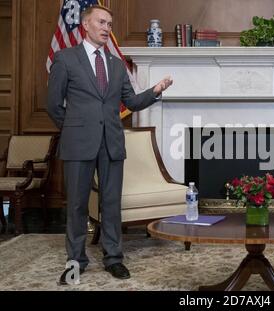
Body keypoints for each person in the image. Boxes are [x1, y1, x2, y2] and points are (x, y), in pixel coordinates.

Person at [47, 5, 173, 285]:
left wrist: (154, 92)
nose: (107, 28)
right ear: (85, 25)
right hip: (78, 143)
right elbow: (54, 105)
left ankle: (114, 259)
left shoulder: (116, 65)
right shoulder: (65, 58)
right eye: (102, 22)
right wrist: (75, 129)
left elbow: (131, 102)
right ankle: (76, 262)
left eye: (110, 24)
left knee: (112, 204)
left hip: (112, 143)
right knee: (77, 206)